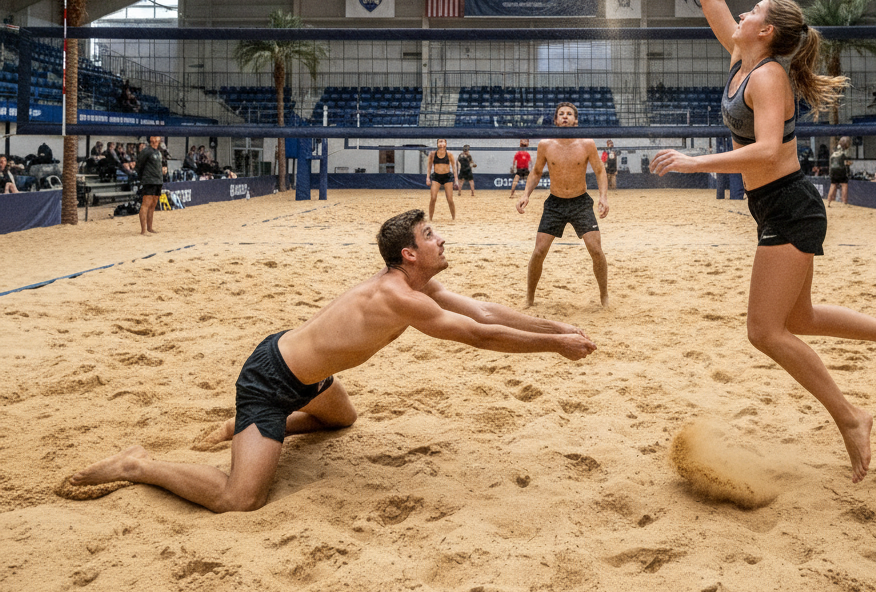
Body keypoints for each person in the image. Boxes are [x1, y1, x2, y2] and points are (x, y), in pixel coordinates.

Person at [649, 0, 876, 484]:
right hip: (774, 205)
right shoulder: (741, 58)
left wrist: (694, 161)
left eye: (753, 12)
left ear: (766, 32)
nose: (742, 13)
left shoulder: (768, 77)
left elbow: (763, 152)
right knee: (799, 317)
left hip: (789, 203)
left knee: (765, 331)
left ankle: (851, 416)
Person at [66, 209, 596, 512]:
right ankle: (140, 463)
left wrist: (556, 327)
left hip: (309, 377)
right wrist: (555, 348)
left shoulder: (418, 283)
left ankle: (245, 428)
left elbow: (481, 309)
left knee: (343, 420)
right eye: (430, 235)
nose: (440, 239)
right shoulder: (399, 296)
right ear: (408, 254)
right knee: (239, 500)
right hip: (270, 381)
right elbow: (479, 337)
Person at [515, 103, 610, 308]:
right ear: (556, 120)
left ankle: (604, 296)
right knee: (539, 251)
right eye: (561, 114)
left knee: (595, 249)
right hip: (555, 203)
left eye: (569, 114)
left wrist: (603, 197)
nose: (565, 117)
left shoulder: (587, 143)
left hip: (581, 202)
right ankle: (530, 298)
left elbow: (600, 171)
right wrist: (525, 194)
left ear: (575, 120)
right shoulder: (545, 144)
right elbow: (537, 172)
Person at [136, 135, 167, 235]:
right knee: (146, 204)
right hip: (149, 181)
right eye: (154, 138)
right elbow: (139, 165)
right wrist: (142, 179)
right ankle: (143, 230)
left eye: (157, 138)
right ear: (151, 139)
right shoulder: (146, 151)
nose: (156, 140)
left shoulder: (158, 152)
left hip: (158, 181)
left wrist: (163, 170)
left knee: (153, 205)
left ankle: (150, 227)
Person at [426, 138, 455, 221]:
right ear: (437, 144)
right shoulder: (432, 154)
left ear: (446, 144)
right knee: (433, 198)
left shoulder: (449, 154)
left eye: (443, 141)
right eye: (440, 141)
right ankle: (430, 218)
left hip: (447, 177)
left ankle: (453, 217)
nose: (441, 143)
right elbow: (429, 167)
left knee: (449, 199)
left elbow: (454, 167)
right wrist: (427, 178)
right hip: (436, 177)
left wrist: (456, 179)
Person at [826, 136, 851, 206]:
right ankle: (844, 202)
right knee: (844, 184)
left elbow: (832, 161)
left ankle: (828, 202)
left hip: (833, 169)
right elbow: (846, 161)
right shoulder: (845, 151)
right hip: (840, 169)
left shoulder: (834, 151)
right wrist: (849, 163)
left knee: (833, 185)